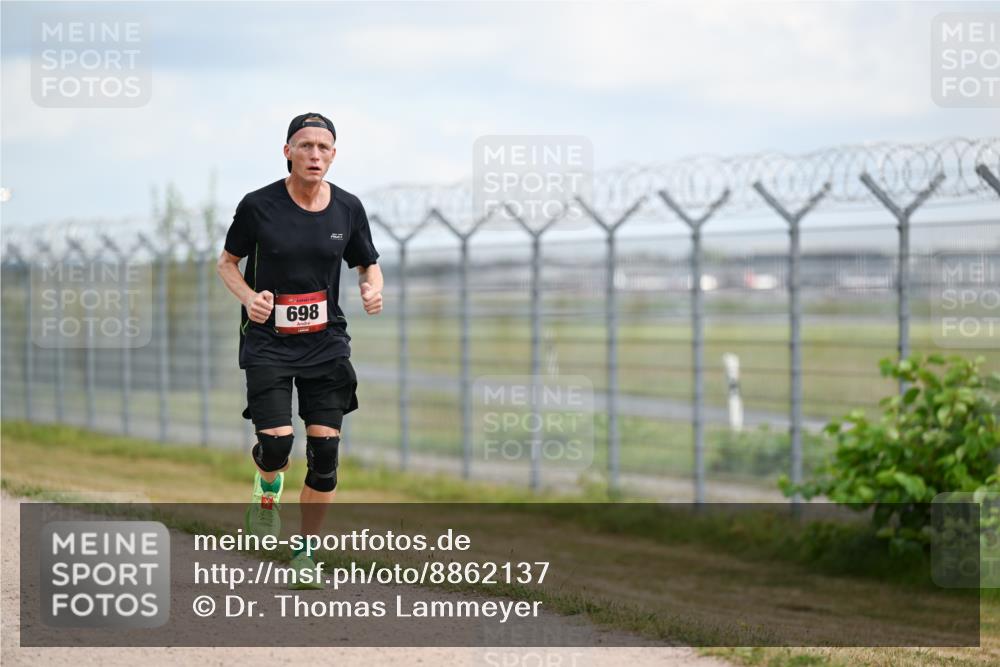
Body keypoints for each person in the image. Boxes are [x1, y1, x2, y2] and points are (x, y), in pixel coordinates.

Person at [217, 112, 383, 589]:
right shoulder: (258, 206)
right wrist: (250, 298)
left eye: (323, 147)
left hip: (326, 342)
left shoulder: (347, 208)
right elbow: (228, 263)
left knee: (326, 453)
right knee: (276, 446)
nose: (315, 155)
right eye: (305, 146)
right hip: (268, 340)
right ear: (287, 151)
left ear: (334, 154)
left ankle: (306, 551)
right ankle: (267, 490)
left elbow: (368, 265)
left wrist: (372, 288)